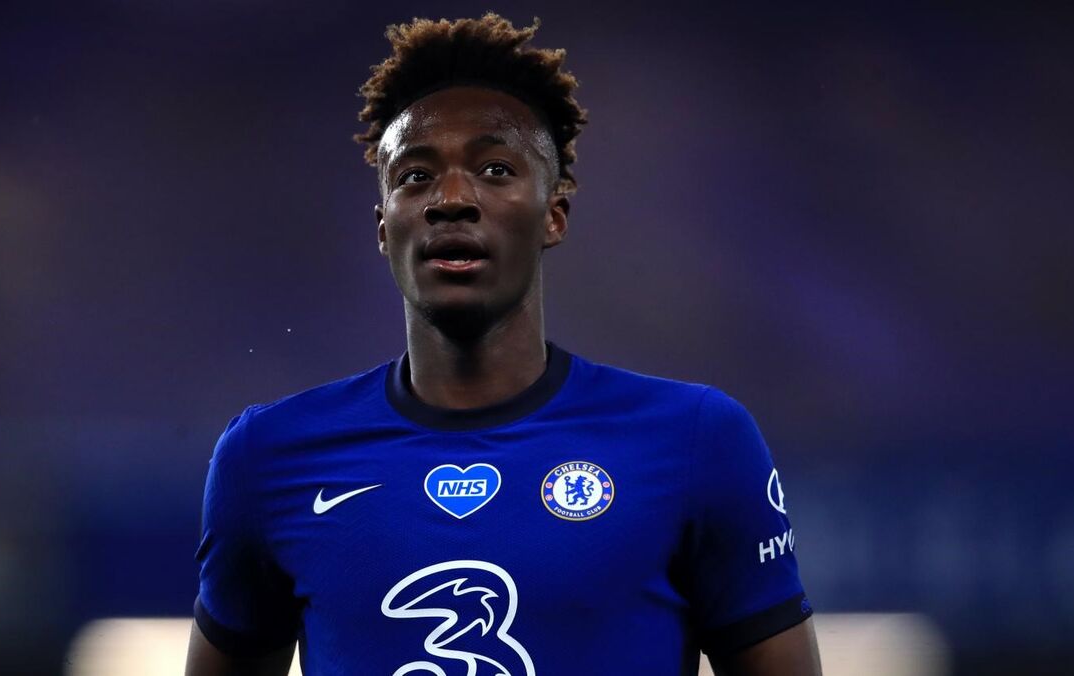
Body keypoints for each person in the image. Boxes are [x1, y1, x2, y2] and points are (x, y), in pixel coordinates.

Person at [187, 13, 820, 676]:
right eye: (414, 176)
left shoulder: (696, 440)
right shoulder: (268, 458)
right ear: (383, 227)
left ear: (554, 215)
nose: (451, 199)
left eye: (494, 169)